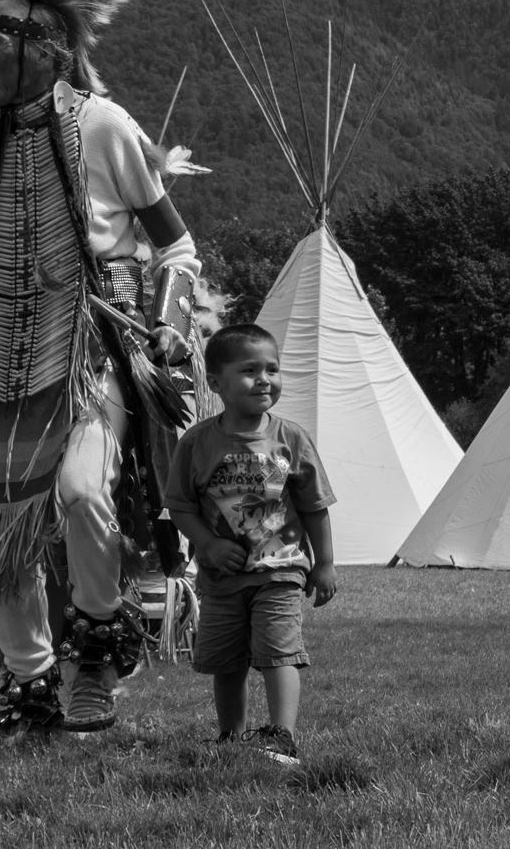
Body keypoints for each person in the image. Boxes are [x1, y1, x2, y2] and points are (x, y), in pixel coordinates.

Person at [0, 0, 213, 735]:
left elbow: (177, 245)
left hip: (90, 351)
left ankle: (94, 656)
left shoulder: (106, 126)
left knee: (82, 492)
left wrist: (170, 319)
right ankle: (30, 682)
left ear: (44, 47)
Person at [166, 323, 337, 765]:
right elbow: (180, 506)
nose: (265, 379)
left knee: (279, 651)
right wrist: (208, 544)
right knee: (226, 660)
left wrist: (324, 565)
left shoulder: (290, 438)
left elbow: (315, 506)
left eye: (273, 369)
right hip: (221, 577)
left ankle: (282, 735)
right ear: (216, 382)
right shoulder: (197, 443)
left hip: (280, 570)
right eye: (250, 370)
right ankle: (231, 736)